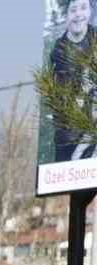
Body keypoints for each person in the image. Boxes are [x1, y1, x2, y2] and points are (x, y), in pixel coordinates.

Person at [52, 0, 96, 162]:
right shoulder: (58, 51)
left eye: (83, 8)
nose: (79, 14)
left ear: (90, 11)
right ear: (66, 15)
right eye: (73, 10)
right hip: (69, 132)